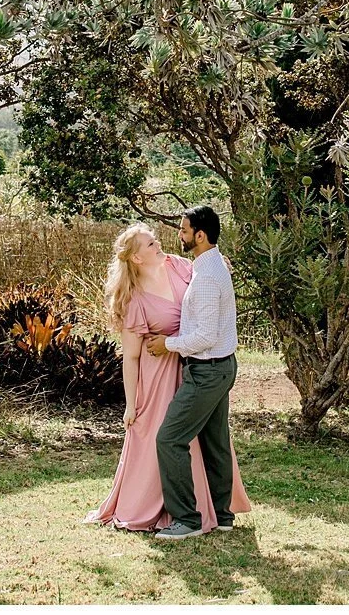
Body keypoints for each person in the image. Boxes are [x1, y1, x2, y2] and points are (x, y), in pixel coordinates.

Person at [85, 217, 249, 533]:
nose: (159, 243)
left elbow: (207, 279)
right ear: (136, 257)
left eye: (155, 239)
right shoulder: (134, 300)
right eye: (150, 243)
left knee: (209, 439)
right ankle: (169, 509)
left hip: (193, 364)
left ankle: (209, 512)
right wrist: (131, 405)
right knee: (161, 438)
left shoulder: (178, 266)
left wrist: (221, 263)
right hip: (158, 375)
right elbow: (131, 358)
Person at [143, 204, 242, 541]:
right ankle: (223, 514)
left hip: (207, 371)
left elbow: (204, 337)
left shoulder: (205, 279)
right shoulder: (212, 264)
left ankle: (187, 519)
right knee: (215, 444)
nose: (180, 236)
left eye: (184, 231)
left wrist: (166, 345)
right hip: (222, 367)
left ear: (200, 235)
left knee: (169, 438)